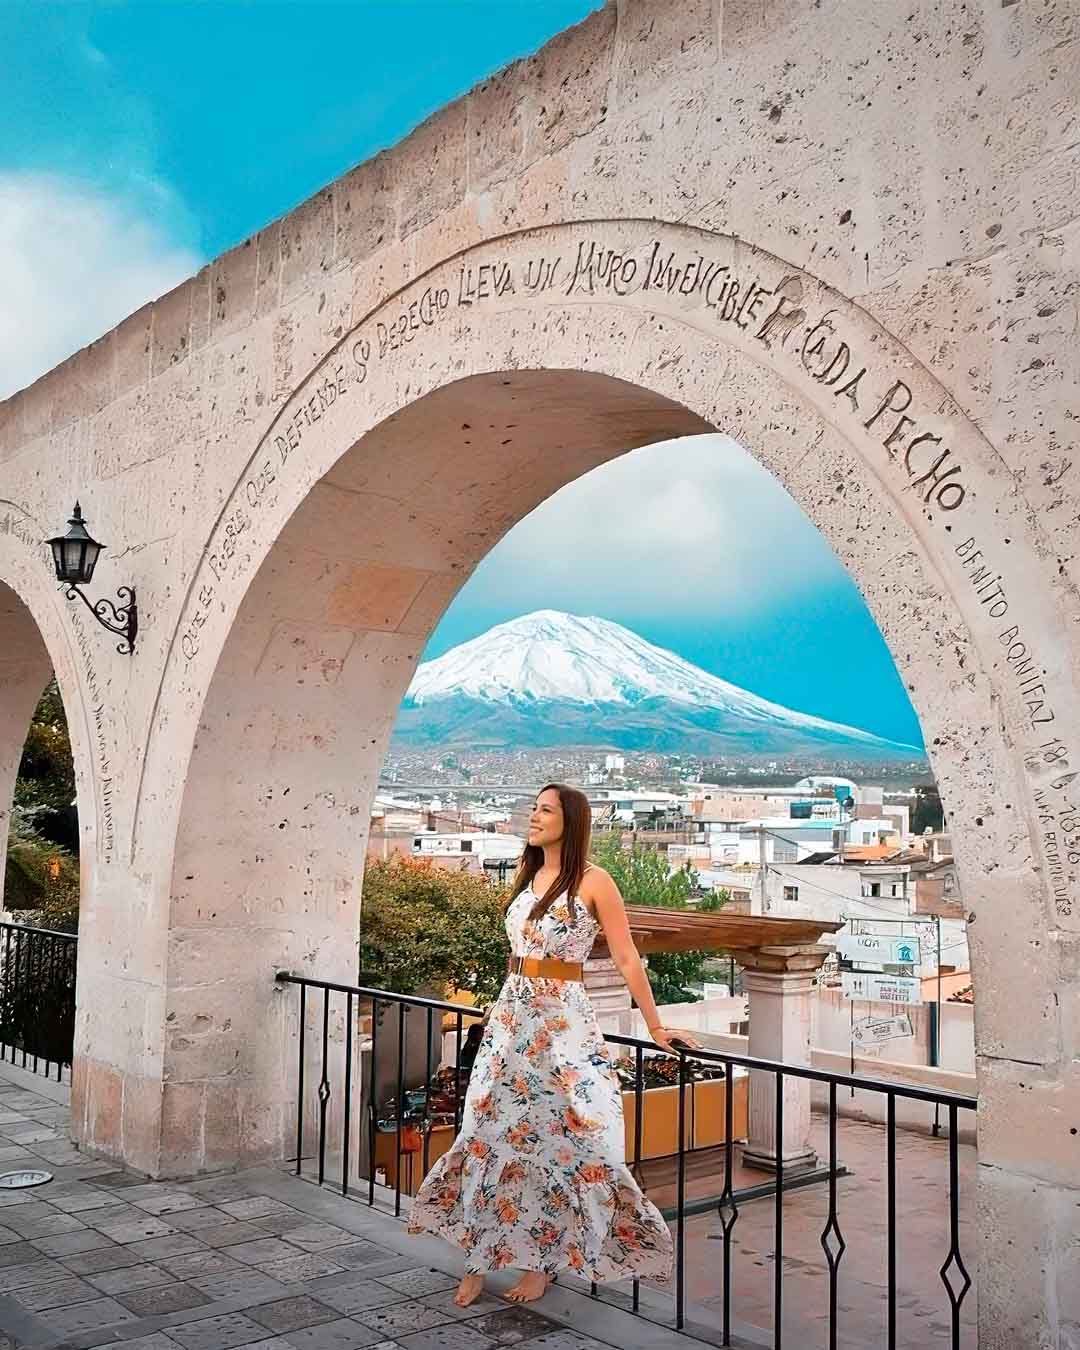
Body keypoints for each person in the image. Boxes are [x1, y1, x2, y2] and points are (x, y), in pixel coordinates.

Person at [406, 782, 703, 1307]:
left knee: (568, 1140)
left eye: (546, 810)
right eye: (534, 808)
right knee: (486, 1132)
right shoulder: (528, 875)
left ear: (572, 820)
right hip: (511, 1022)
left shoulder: (594, 880)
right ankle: (479, 1257)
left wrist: (656, 1027)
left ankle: (541, 1264)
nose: (534, 816)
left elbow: (627, 955)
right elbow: (517, 953)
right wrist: (498, 1007)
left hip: (562, 1023)